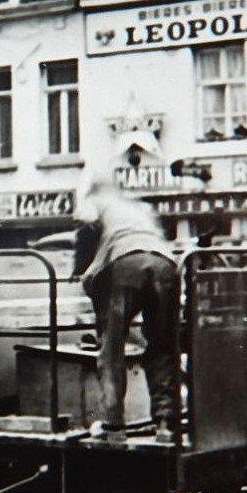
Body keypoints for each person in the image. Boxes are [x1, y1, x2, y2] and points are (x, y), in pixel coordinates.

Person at [71, 172, 180, 443]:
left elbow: (87, 229)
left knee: (111, 348)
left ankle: (113, 424)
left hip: (124, 264)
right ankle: (165, 423)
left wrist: (79, 270)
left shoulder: (96, 200)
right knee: (162, 345)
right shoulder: (138, 207)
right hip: (164, 264)